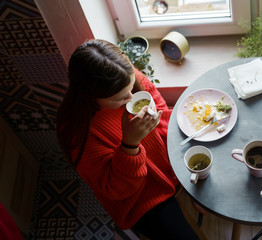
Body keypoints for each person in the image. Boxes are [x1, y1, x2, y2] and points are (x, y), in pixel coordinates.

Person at [56, 39, 199, 239]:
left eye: (132, 88)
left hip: (168, 164)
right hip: (139, 198)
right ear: (91, 96)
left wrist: (185, 174)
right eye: (121, 98)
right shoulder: (79, 133)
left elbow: (161, 110)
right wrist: (130, 144)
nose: (131, 99)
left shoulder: (125, 78)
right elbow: (116, 190)